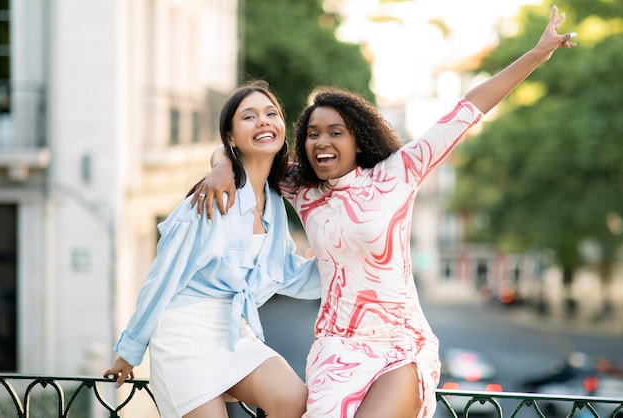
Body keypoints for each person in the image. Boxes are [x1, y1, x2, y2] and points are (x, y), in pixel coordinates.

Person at [193, 7, 577, 418]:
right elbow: (246, 150)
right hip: (335, 350)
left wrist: (537, 54)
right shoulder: (302, 189)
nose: (321, 142)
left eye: (335, 132)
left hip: (400, 344)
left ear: (358, 140)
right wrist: (220, 164)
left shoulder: (397, 174)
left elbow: (469, 108)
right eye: (312, 134)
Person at [104, 81, 321, 418]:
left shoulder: (275, 202)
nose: (264, 121)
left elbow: (288, 273)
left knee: (294, 400)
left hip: (234, 332)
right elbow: (162, 277)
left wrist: (349, 262)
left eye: (271, 113)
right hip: (182, 335)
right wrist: (130, 348)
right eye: (249, 116)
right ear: (231, 137)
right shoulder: (210, 200)